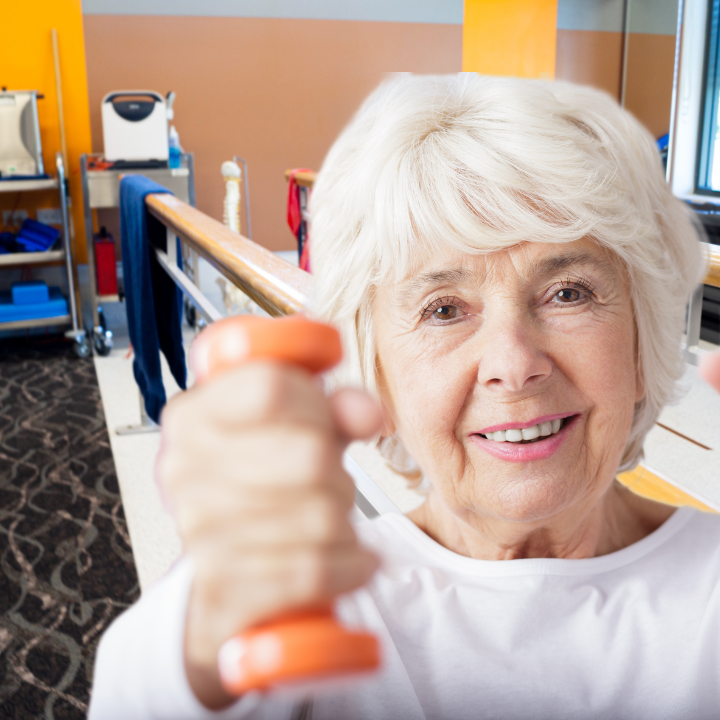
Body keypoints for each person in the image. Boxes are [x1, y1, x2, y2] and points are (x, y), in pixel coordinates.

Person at [89, 73, 720, 719]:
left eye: (569, 293)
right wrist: (200, 636)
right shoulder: (315, 599)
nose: (514, 364)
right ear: (377, 370)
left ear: (642, 336)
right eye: (445, 309)